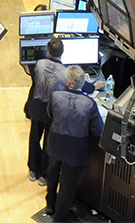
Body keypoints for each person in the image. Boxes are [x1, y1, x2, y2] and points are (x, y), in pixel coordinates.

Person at [44, 66, 104, 222]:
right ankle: (60, 217)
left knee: (52, 173)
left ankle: (50, 205)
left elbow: (50, 114)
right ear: (83, 83)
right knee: (68, 184)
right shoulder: (89, 103)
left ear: (67, 82)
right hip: (75, 148)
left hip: (55, 142)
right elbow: (97, 130)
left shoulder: (55, 96)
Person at [26, 37, 66, 185]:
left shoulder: (40, 64)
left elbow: (33, 75)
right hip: (52, 111)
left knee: (34, 138)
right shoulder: (65, 72)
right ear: (63, 53)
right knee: (49, 142)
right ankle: (43, 175)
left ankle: (33, 169)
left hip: (37, 107)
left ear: (49, 52)